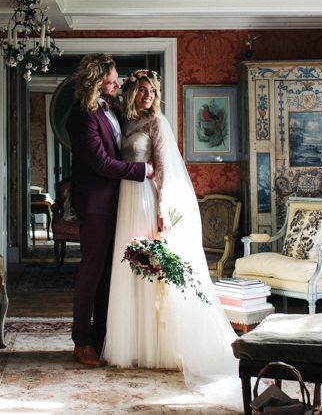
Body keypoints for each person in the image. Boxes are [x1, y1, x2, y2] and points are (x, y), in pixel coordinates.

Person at [102, 69, 241, 399]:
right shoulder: (125, 121)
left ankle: (159, 347)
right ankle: (132, 344)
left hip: (147, 201)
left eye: (152, 91)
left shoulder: (156, 123)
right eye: (142, 90)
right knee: (128, 271)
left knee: (152, 272)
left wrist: (163, 211)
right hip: (125, 201)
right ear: (132, 91)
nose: (147, 95)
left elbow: (163, 171)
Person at [66, 54, 153, 368]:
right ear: (95, 80)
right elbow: (101, 163)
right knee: (91, 272)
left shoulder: (112, 109)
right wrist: (142, 171)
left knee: (109, 275)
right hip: (96, 204)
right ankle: (82, 342)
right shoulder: (82, 115)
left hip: (120, 202)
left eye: (117, 79)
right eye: (112, 79)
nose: (117, 83)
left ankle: (102, 338)